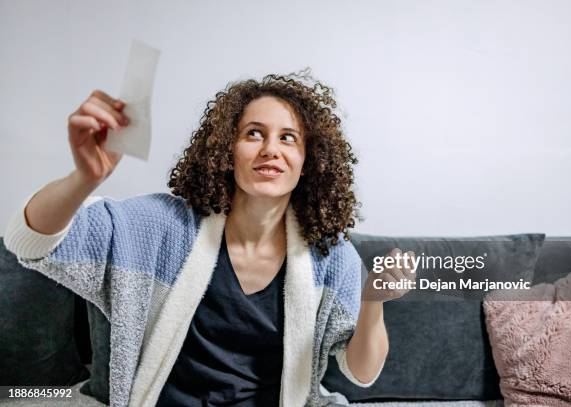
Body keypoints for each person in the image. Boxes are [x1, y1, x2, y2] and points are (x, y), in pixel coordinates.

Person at [4, 72, 410, 407]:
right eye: (254, 133)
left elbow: (362, 372)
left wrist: (372, 303)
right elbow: (32, 242)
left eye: (288, 138)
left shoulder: (331, 255)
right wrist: (84, 179)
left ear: (308, 162)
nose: (271, 149)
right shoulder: (159, 227)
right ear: (226, 150)